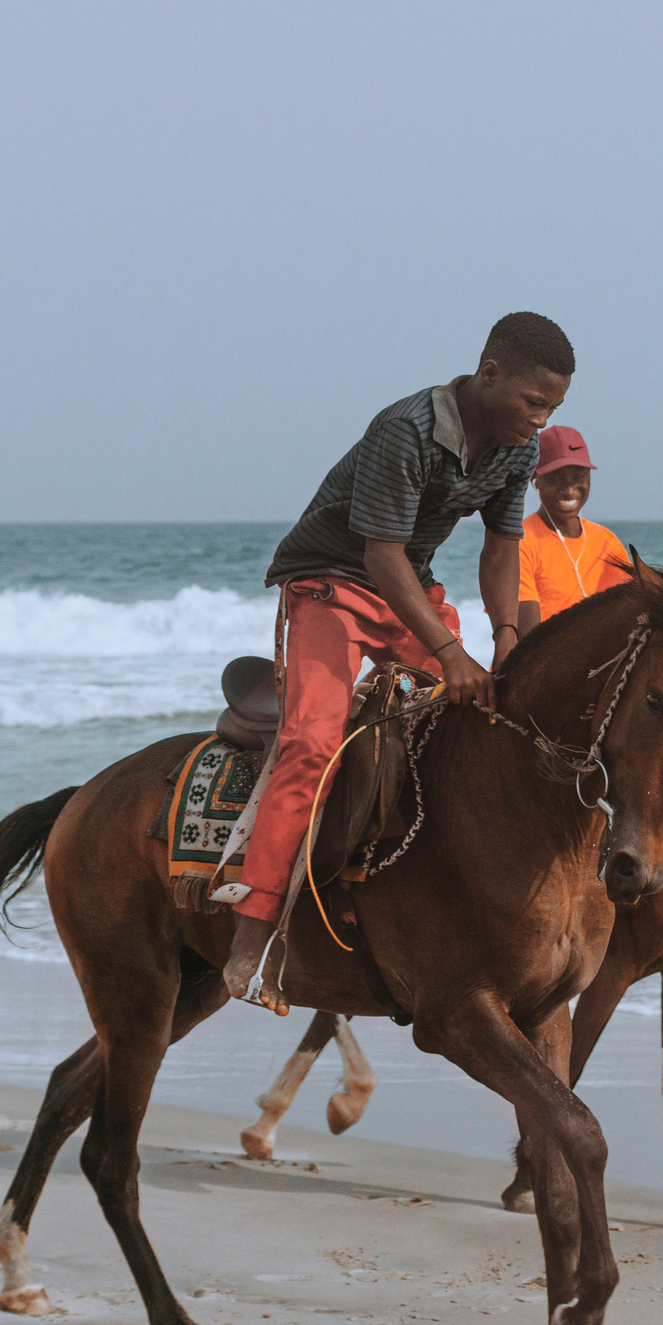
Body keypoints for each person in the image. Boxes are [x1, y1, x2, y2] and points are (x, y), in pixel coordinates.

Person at [221, 311, 572, 1006]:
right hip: (329, 583)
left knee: (487, 718)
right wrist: (449, 648)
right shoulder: (406, 430)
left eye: (553, 409)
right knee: (313, 743)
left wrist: (504, 636)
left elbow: (502, 549)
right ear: (490, 373)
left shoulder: (515, 449)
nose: (540, 421)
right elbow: (378, 555)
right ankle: (252, 933)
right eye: (534, 403)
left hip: (407, 585)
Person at [513, 426, 631, 636]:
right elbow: (527, 637)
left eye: (578, 477)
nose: (569, 490)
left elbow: (628, 613)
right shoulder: (521, 540)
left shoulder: (606, 541)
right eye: (556, 479)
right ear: (535, 480)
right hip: (540, 662)